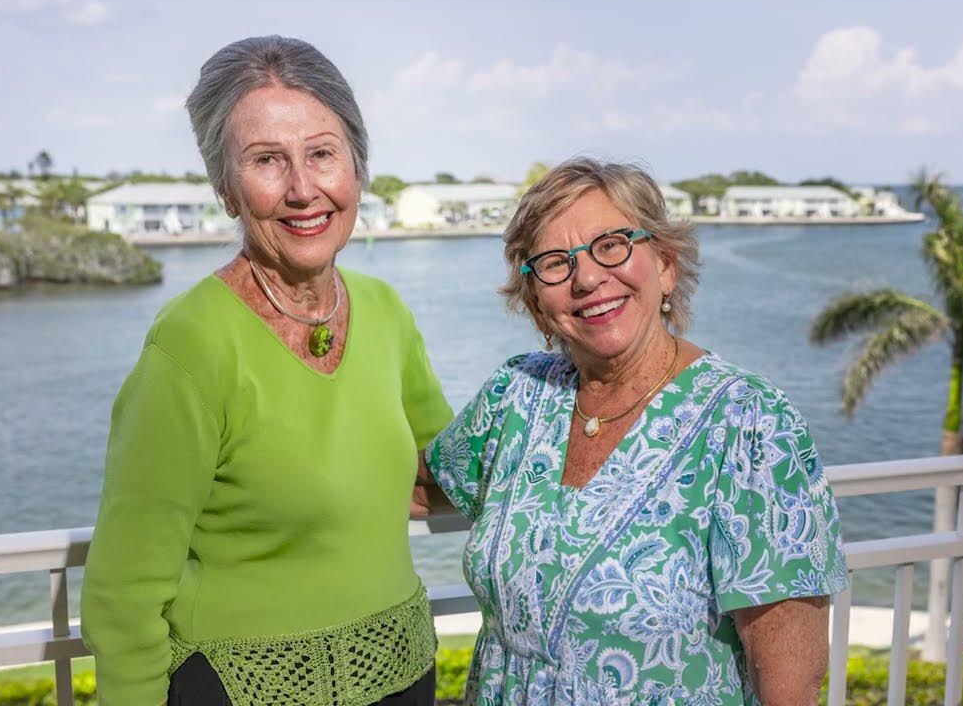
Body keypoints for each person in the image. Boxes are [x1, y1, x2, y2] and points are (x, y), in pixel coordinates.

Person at [81, 36, 452, 706]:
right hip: (238, 687)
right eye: (266, 161)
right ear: (227, 189)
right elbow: (123, 592)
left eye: (322, 153)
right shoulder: (190, 342)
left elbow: (453, 469)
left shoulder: (386, 311)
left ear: (357, 168)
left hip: (403, 674)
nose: (304, 189)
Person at [416, 158, 849, 705]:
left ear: (665, 265)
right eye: (555, 263)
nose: (587, 278)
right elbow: (415, 486)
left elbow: (790, 686)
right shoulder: (517, 394)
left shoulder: (750, 424)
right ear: (536, 301)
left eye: (611, 246)